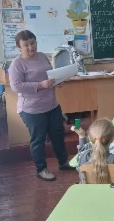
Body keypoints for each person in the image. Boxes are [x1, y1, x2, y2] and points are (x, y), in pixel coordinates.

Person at [8, 30, 75, 181]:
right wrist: (40, 85)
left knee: (58, 135)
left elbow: (50, 75)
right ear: (19, 47)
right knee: (38, 140)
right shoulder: (17, 64)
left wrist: (57, 81)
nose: (30, 47)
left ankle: (63, 162)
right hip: (32, 109)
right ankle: (41, 169)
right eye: (26, 45)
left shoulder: (42, 56)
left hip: (52, 104)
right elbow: (16, 86)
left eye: (33, 43)